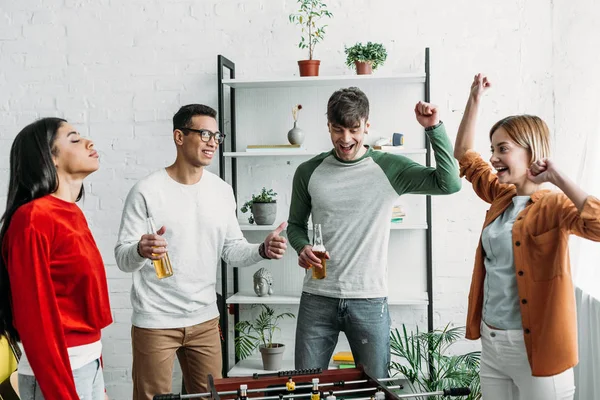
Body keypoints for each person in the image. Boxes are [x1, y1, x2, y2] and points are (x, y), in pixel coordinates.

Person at [114, 104, 288, 400]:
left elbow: (231, 250)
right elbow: (122, 257)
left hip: (205, 320)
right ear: (179, 137)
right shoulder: (146, 190)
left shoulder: (221, 191)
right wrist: (141, 250)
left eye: (216, 135)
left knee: (210, 397)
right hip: (156, 321)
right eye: (204, 133)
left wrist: (261, 249)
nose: (212, 142)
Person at [287, 87, 462, 378]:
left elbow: (449, 183)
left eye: (354, 129)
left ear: (367, 125)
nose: (346, 139)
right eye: (338, 129)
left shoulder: (389, 168)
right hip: (317, 298)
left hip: (369, 301)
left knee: (376, 390)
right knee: (307, 388)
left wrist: (434, 129)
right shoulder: (309, 171)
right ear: (328, 125)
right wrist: (301, 246)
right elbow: (294, 226)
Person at [454, 73, 600, 399]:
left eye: (502, 149)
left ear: (530, 152)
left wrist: (559, 176)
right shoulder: (500, 195)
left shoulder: (554, 205)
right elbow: (464, 153)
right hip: (493, 346)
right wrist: (474, 98)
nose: (492, 157)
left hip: (537, 350)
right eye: (492, 148)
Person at [0, 118, 112, 399]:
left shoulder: (70, 212)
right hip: (60, 375)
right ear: (49, 158)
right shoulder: (34, 218)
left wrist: (100, 380)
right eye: (74, 139)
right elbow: (35, 318)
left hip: (87, 365)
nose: (89, 142)